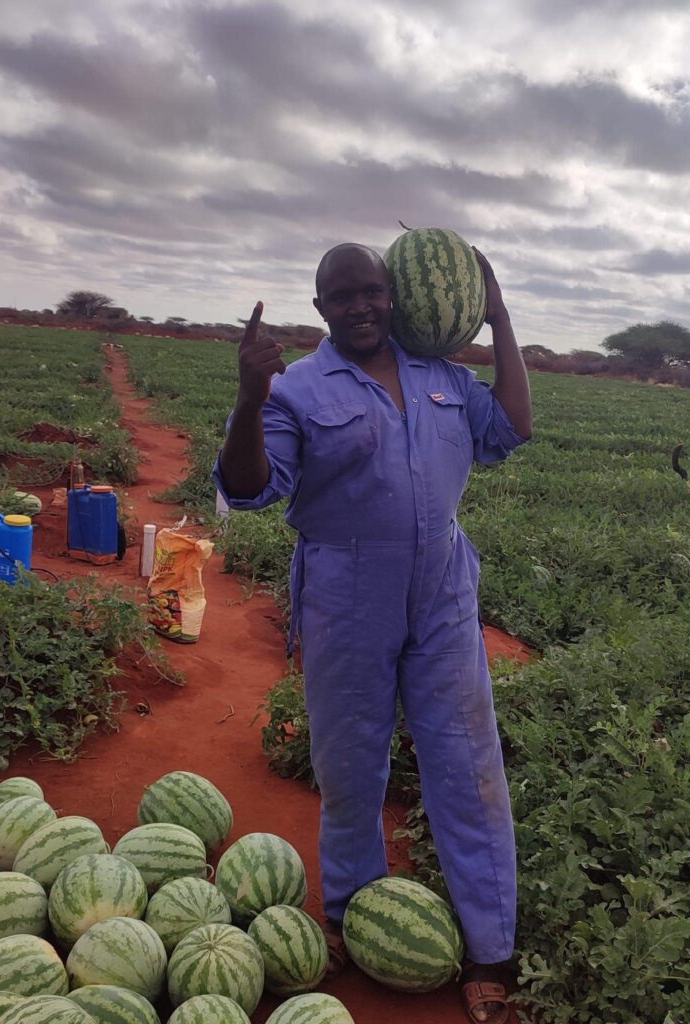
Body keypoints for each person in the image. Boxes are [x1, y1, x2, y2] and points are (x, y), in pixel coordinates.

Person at [214, 242, 532, 1024]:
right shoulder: (295, 390)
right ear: (320, 308)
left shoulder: (443, 376)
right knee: (350, 763)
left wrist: (498, 315)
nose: (360, 306)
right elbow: (249, 490)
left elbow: (514, 428)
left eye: (372, 292)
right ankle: (351, 916)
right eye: (342, 296)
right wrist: (251, 397)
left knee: (468, 761)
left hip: (444, 588)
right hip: (346, 588)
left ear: (392, 296)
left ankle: (490, 948)